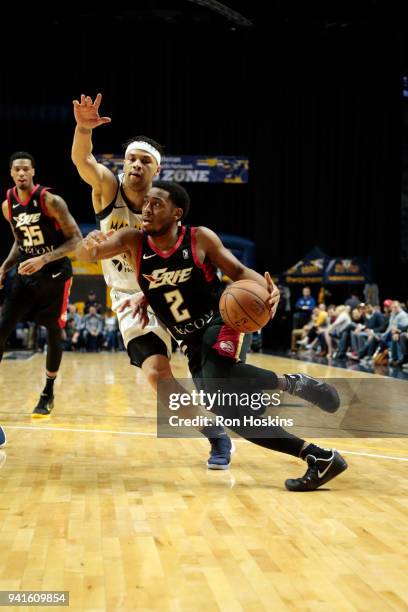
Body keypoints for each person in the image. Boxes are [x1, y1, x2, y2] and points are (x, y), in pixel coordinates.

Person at [76, 181, 348, 491]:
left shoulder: (199, 238)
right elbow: (90, 253)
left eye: (156, 204)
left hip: (221, 320)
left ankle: (295, 384)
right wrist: (89, 242)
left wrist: (270, 292)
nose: (147, 209)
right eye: (146, 203)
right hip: (189, 340)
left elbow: (239, 272)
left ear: (177, 213)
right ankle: (319, 457)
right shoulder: (133, 240)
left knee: (217, 373)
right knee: (231, 412)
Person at [71, 93, 233, 469]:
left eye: (145, 161)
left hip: (172, 291)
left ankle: (285, 387)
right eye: (131, 159)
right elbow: (83, 160)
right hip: (131, 297)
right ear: (124, 164)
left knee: (220, 381)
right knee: (157, 374)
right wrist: (83, 128)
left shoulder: (165, 205)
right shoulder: (108, 189)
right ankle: (216, 436)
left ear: (156, 170)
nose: (136, 165)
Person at [0, 152, 82, 417]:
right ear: (12, 173)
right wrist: (5, 266)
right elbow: (19, 241)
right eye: (17, 170)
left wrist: (43, 259)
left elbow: (76, 240)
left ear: (33, 172)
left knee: (54, 332)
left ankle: (48, 392)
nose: (21, 173)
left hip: (56, 274)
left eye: (26, 169)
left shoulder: (50, 201)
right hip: (26, 273)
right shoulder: (8, 205)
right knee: (3, 327)